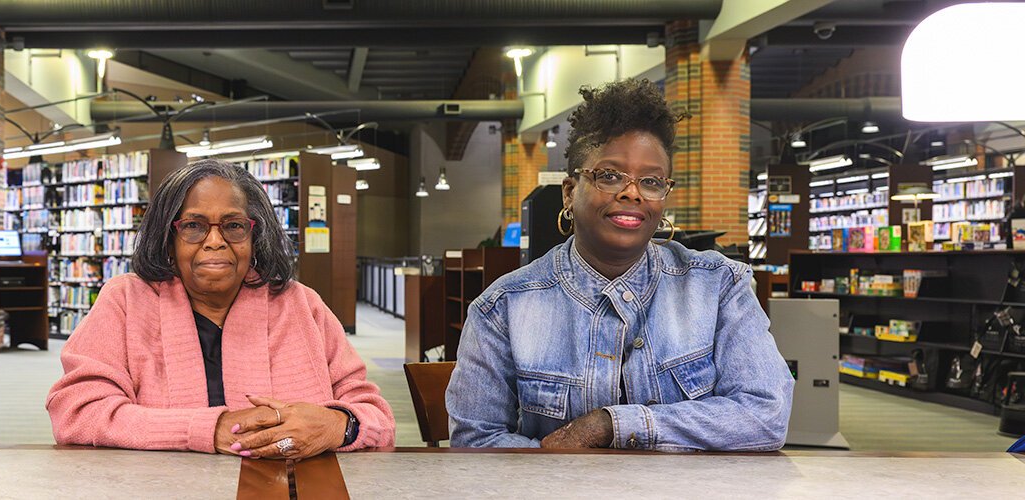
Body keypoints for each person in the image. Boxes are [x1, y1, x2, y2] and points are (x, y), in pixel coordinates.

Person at [445, 79, 794, 451]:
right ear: (569, 192)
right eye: (609, 176)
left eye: (651, 180)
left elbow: (766, 413)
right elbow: (476, 443)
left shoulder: (719, 286)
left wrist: (612, 425)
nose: (632, 192)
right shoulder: (503, 307)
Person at [47, 159, 394, 459]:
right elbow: (76, 412)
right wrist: (209, 429)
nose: (215, 241)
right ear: (168, 237)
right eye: (194, 226)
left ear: (254, 236)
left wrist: (338, 425)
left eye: (233, 226)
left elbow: (376, 416)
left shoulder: (302, 305)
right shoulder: (125, 301)